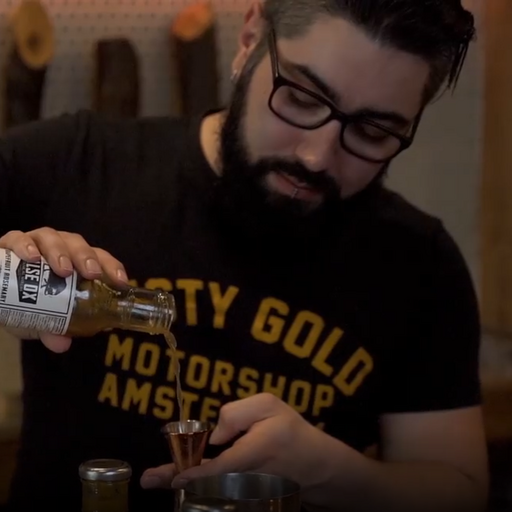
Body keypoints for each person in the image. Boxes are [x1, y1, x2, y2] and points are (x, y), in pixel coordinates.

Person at [0, 0, 488, 511]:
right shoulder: (77, 163)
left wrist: (333, 471)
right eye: (301, 97)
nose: (316, 156)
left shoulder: (420, 263)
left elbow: (461, 491)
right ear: (251, 37)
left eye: (372, 132)